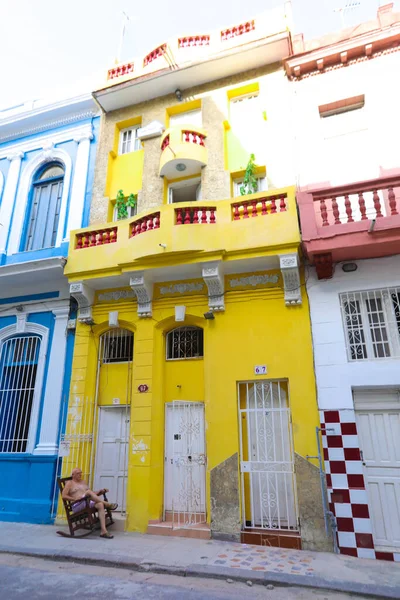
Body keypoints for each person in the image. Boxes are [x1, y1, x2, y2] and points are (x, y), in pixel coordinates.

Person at [62, 467, 118, 539]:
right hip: (77, 505)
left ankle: (103, 531)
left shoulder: (83, 482)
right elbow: (64, 496)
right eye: (78, 473)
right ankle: (107, 504)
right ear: (73, 475)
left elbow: (92, 494)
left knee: (100, 504)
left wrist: (100, 491)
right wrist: (74, 498)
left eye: (81, 473)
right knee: (88, 492)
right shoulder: (70, 483)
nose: (80, 475)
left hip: (86, 502)